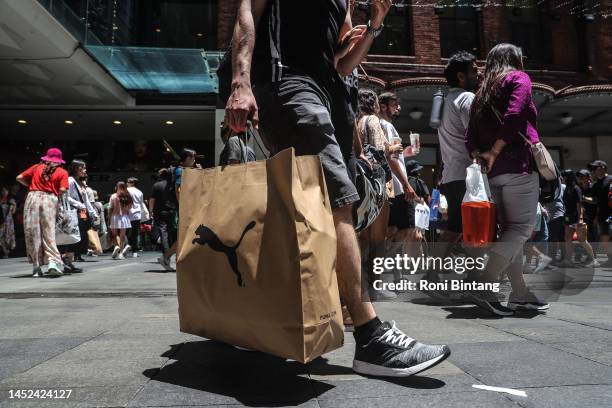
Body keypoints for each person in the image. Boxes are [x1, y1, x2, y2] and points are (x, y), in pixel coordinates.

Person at [225, 0, 450, 377]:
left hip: (325, 93)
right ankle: (370, 334)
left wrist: (375, 25)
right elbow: (246, 13)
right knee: (337, 197)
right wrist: (240, 81)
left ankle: (260, 311)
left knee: (310, 205)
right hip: (285, 82)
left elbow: (342, 63)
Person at [465, 43, 549, 315]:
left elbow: (469, 137)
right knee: (521, 229)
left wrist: (483, 155)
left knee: (509, 232)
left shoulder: (481, 93)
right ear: (514, 59)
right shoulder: (518, 78)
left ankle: (520, 293)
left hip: (493, 173)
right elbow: (515, 115)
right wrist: (497, 150)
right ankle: (485, 283)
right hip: (517, 164)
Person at [437, 51, 479, 246]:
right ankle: (431, 273)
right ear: (461, 76)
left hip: (452, 175)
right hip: (467, 174)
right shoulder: (467, 98)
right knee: (465, 226)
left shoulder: (445, 102)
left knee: (459, 226)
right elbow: (474, 136)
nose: (478, 74)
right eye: (474, 70)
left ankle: (434, 273)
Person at [16, 148, 69, 277]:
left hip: (32, 198)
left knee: (32, 232)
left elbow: (19, 178)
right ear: (59, 160)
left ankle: (36, 267)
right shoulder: (62, 171)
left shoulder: (36, 167)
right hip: (49, 200)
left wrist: (31, 185)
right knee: (48, 231)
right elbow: (63, 189)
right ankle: (52, 262)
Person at [378, 92, 421, 244]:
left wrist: (406, 153)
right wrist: (406, 185)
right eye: (394, 105)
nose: (399, 108)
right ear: (383, 107)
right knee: (408, 229)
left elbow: (390, 156)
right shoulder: (387, 126)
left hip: (389, 186)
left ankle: (380, 260)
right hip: (397, 187)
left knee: (393, 228)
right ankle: (383, 257)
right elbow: (391, 158)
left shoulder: (379, 125)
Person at [157, 148, 199, 271]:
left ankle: (169, 258)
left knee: (186, 236)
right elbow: (178, 189)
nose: (194, 160)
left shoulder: (185, 170)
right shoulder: (180, 171)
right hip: (184, 208)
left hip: (184, 208)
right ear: (186, 158)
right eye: (192, 157)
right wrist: (184, 206)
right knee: (186, 236)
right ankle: (167, 257)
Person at [58, 160, 97, 272]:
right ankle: (66, 261)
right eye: (82, 168)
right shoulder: (70, 181)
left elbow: (86, 200)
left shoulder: (80, 182)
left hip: (81, 212)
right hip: (74, 212)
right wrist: (80, 205)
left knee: (80, 238)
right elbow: (66, 196)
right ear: (76, 168)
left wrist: (92, 213)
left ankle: (68, 262)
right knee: (74, 237)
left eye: (85, 168)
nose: (84, 170)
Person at [560, 170, 599, 267]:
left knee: (582, 240)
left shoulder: (576, 188)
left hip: (577, 218)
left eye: (564, 176)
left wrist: (580, 218)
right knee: (567, 239)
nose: (562, 178)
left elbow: (580, 204)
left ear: (569, 177)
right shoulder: (567, 188)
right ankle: (568, 260)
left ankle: (594, 260)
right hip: (568, 217)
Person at [150, 168, 178, 272]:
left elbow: (152, 199)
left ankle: (166, 255)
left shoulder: (157, 185)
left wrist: (150, 211)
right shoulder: (173, 184)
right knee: (172, 233)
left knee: (163, 233)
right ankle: (168, 255)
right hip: (172, 211)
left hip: (159, 212)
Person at [589, 160, 611, 266]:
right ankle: (610, 259)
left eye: (595, 168)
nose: (594, 171)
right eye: (593, 169)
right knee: (605, 237)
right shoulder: (596, 184)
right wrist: (582, 198)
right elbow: (595, 201)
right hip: (603, 215)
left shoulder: (610, 179)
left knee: (607, 237)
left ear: (603, 168)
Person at [109, 181, 133, 260]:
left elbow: (110, 208)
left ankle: (116, 246)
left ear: (117, 187)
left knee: (114, 234)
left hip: (115, 217)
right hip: (124, 217)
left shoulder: (113, 196)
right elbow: (130, 208)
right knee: (122, 236)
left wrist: (108, 218)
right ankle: (121, 252)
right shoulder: (128, 196)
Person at [127, 177, 147, 257]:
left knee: (126, 232)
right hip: (137, 214)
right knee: (135, 233)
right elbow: (141, 203)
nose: (126, 183)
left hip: (127, 213)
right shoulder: (140, 192)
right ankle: (134, 251)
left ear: (132, 183)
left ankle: (127, 246)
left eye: (128, 182)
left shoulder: (126, 190)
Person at [0, 186, 17, 258]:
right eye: (3, 191)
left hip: (9, 221)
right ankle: (5, 251)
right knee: (1, 236)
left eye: (6, 190)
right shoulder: (0, 200)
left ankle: (6, 252)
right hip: (1, 220)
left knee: (8, 236)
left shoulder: (10, 200)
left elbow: (13, 212)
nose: (5, 192)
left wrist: (14, 205)